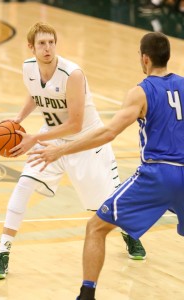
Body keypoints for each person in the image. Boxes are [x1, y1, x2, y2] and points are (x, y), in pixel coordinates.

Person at [30, 31, 184, 300]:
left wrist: (61, 150)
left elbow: (108, 133)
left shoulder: (141, 92)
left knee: (96, 228)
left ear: (144, 59)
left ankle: (86, 295)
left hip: (157, 173)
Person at [0, 22, 146, 280]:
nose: (47, 48)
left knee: (104, 207)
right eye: (41, 43)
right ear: (31, 47)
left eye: (51, 42)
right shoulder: (28, 68)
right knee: (23, 185)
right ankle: (2, 252)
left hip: (85, 142)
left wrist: (34, 137)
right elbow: (34, 94)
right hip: (51, 139)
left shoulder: (72, 74)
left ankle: (129, 232)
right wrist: (17, 121)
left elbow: (75, 123)